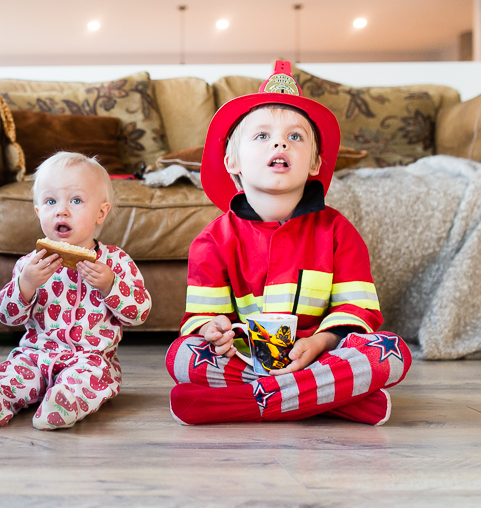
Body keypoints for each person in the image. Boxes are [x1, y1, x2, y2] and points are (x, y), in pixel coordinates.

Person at [167, 61, 411, 426]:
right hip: (248, 359)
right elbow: (203, 317)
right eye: (262, 136)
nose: (280, 142)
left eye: (295, 137)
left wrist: (319, 343)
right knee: (181, 355)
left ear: (314, 162)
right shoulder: (212, 240)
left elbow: (358, 310)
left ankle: (249, 403)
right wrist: (212, 328)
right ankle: (333, 399)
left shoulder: (337, 231)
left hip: (319, 357)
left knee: (391, 351)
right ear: (232, 161)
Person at [0, 152, 152, 430]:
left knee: (90, 379)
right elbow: (6, 316)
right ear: (39, 212)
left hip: (91, 360)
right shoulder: (30, 265)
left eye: (76, 200)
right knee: (18, 372)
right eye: (50, 201)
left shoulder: (116, 262)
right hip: (38, 354)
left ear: (101, 212)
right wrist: (26, 284)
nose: (61, 210)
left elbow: (139, 313)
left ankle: (65, 403)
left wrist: (110, 286)